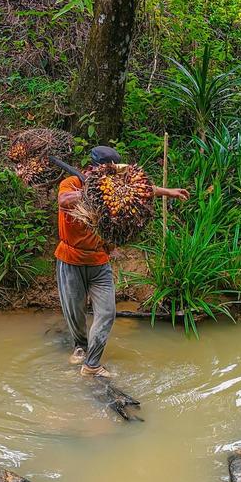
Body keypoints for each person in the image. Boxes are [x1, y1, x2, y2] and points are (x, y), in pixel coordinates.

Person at [56, 145, 189, 378]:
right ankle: (80, 346)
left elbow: (142, 190)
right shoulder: (72, 183)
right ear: (94, 168)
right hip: (71, 260)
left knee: (107, 312)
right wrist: (92, 192)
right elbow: (64, 200)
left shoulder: (114, 183)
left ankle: (92, 364)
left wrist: (169, 192)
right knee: (75, 311)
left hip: (99, 262)